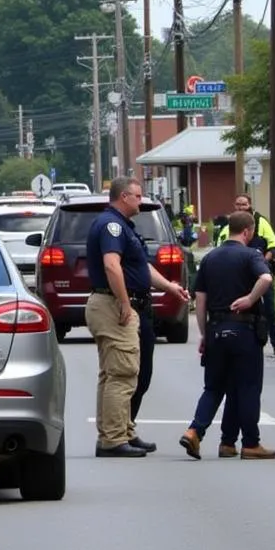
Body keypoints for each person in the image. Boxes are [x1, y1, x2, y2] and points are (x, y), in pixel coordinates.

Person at [86, 176, 191, 457]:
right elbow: (112, 265)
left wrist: (170, 287)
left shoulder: (123, 227)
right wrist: (123, 302)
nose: (140, 201)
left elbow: (141, 268)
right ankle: (112, 439)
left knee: (116, 373)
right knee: (122, 373)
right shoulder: (111, 226)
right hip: (113, 305)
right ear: (123, 197)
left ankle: (123, 431)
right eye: (137, 196)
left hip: (119, 303)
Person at [178, 210, 275, 460]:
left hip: (216, 331)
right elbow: (265, 277)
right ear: (248, 231)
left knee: (214, 387)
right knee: (248, 387)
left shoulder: (210, 259)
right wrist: (250, 299)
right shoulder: (250, 255)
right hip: (244, 330)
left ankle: (200, 433)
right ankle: (251, 444)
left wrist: (203, 334)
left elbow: (200, 301)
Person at [216, 192, 275, 358]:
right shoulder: (228, 226)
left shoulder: (261, 222)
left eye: (244, 204)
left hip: (260, 273)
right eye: (238, 204)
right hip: (238, 276)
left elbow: (273, 247)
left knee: (269, 310)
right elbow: (219, 250)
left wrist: (261, 263)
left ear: (250, 205)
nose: (241, 207)